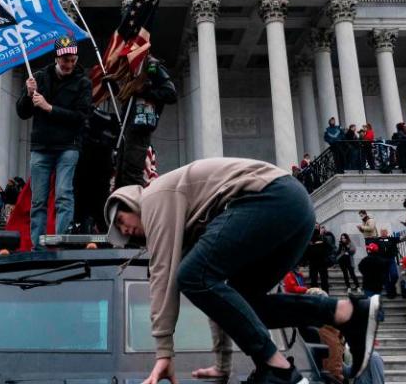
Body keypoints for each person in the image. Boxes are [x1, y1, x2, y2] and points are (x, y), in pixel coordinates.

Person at [104, 158, 382, 384]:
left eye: (120, 220)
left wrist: (163, 352)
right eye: (120, 233)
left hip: (272, 198)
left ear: (130, 202)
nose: (124, 230)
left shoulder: (155, 197)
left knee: (190, 275)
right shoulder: (186, 223)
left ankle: (278, 368)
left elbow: (163, 277)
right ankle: (345, 312)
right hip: (294, 210)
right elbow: (219, 302)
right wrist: (223, 365)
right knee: (243, 302)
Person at [17, 36, 92, 245]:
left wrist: (49, 108)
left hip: (68, 146)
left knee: (63, 195)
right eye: (64, 60)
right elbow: (22, 112)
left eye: (72, 59)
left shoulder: (83, 82)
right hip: (41, 146)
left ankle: (62, 242)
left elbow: (82, 117)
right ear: (56, 58)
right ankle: (37, 246)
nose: (68, 64)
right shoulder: (39, 78)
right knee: (38, 200)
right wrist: (28, 94)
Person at [113, 54, 178, 188]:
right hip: (127, 127)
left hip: (140, 128)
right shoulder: (130, 69)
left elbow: (171, 94)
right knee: (121, 173)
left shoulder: (151, 66)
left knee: (132, 175)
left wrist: (145, 91)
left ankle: (136, 206)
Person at [306, 227, 331, 294]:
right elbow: (328, 251)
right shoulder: (323, 242)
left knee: (315, 281)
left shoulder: (311, 243)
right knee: (323, 280)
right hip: (321, 263)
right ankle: (326, 294)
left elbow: (307, 255)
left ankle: (315, 295)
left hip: (314, 264)